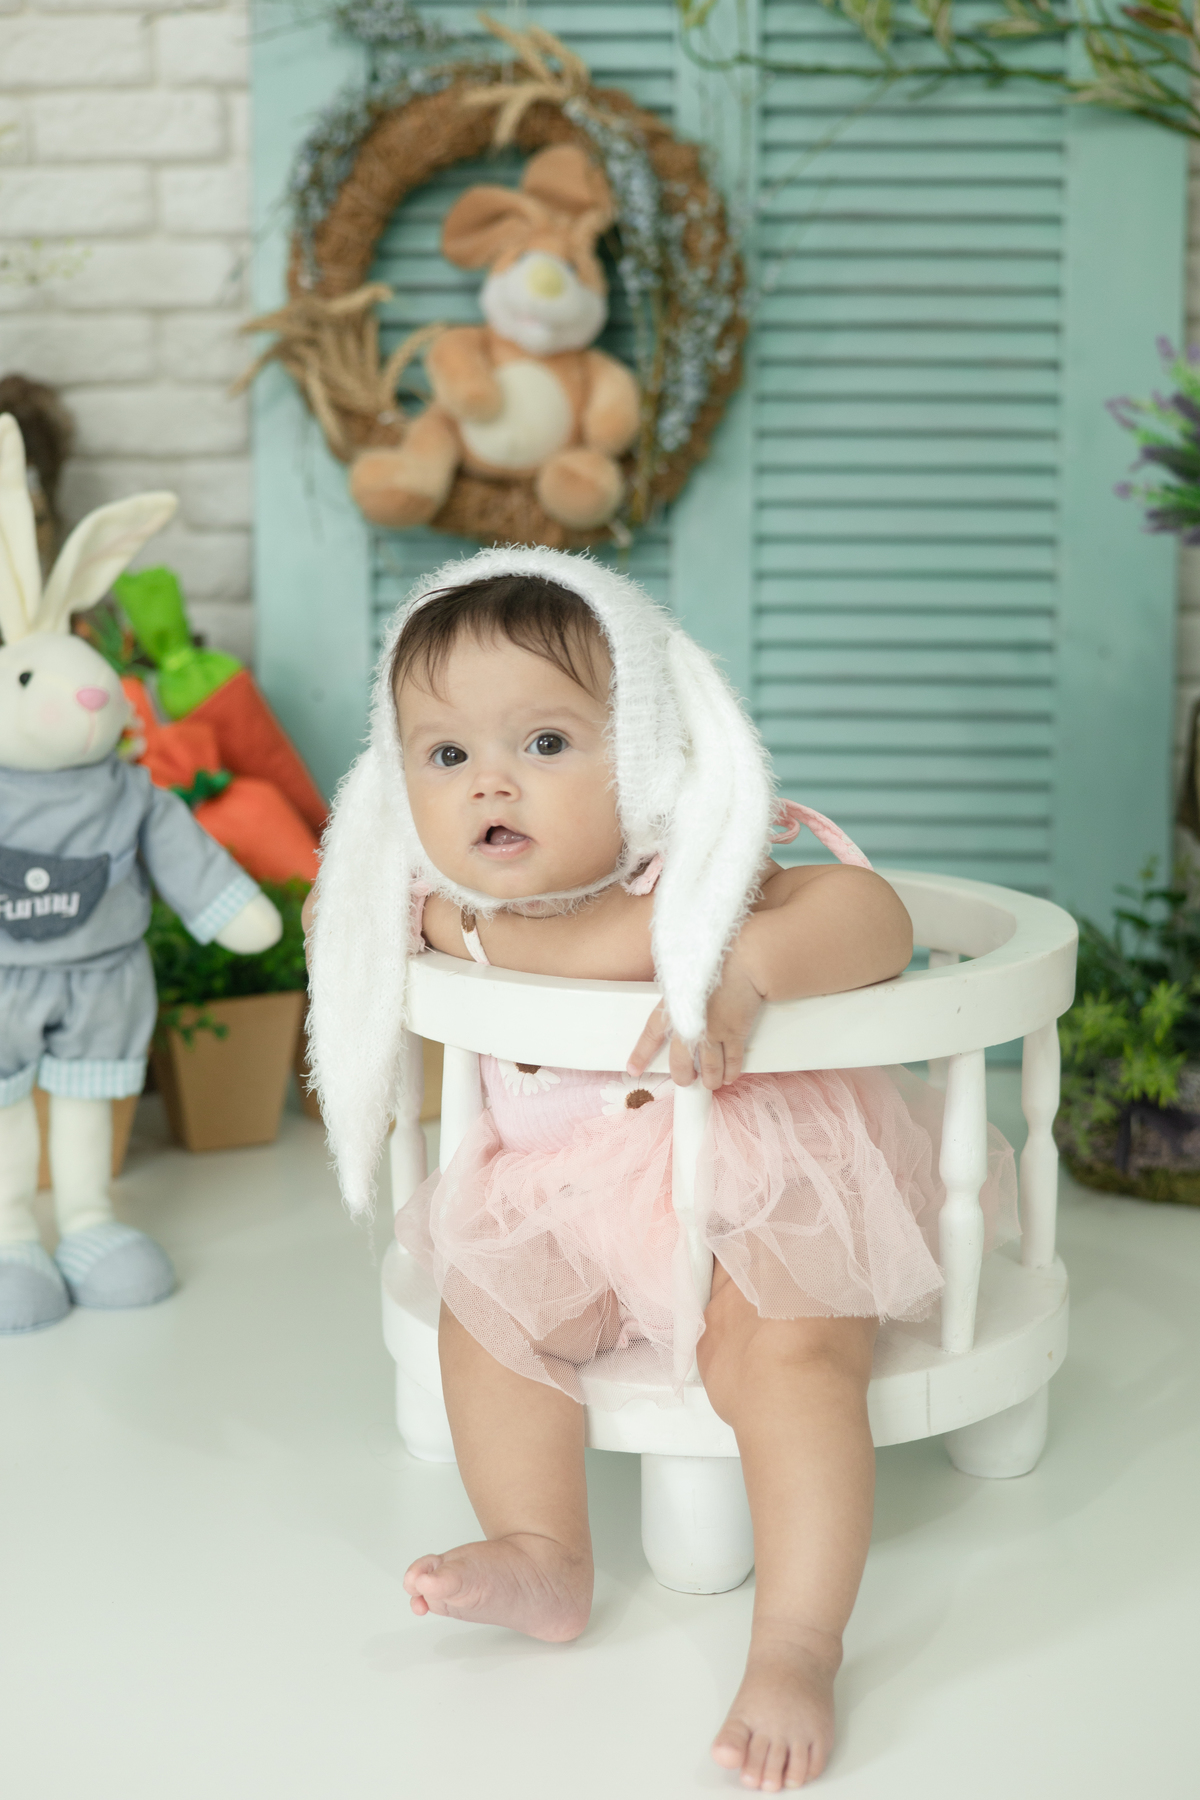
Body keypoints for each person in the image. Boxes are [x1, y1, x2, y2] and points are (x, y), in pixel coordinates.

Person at [304, 548, 1015, 1793]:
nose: (492, 783)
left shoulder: (698, 868)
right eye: (446, 754)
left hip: (756, 1184)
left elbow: (876, 920)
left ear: (643, 752)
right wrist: (415, 920)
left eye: (546, 742)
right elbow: (354, 921)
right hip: (558, 1192)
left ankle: (797, 1642)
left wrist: (743, 972)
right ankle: (543, 1550)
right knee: (488, 1319)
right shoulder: (424, 899)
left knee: (793, 1363)